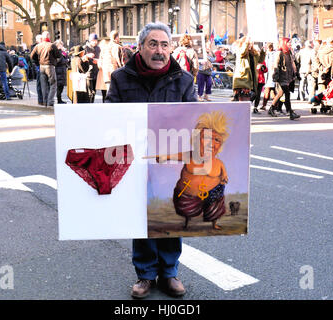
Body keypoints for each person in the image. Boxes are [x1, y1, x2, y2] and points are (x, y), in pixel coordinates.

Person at [106, 22, 197, 299]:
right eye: (153, 44)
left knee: (170, 216)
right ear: (141, 47)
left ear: (171, 48)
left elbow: (194, 119)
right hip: (135, 160)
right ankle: (145, 275)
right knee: (142, 217)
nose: (159, 51)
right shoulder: (121, 78)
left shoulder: (184, 80)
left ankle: (169, 273)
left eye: (165, 45)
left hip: (171, 161)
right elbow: (109, 115)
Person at [152, 111, 229, 230]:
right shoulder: (190, 155)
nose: (211, 144)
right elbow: (174, 156)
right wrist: (164, 157)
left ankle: (214, 223)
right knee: (186, 208)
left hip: (212, 194)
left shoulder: (218, 163)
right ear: (197, 140)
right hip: (188, 194)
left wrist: (224, 177)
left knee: (216, 205)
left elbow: (224, 174)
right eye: (207, 138)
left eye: (217, 140)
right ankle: (187, 222)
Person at [270, 37, 300, 120]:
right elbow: (276, 65)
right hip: (281, 76)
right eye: (288, 43)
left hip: (288, 76)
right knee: (286, 93)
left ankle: (272, 108)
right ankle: (290, 112)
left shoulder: (289, 52)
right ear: (284, 43)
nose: (290, 44)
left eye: (290, 43)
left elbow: (292, 64)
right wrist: (275, 76)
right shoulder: (279, 53)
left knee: (281, 93)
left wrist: (296, 74)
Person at [30, 31, 62, 107]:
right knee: (53, 84)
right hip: (50, 66)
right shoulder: (52, 45)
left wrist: (38, 62)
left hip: (41, 66)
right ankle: (50, 101)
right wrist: (55, 61)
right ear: (49, 37)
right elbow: (59, 55)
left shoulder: (38, 46)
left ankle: (45, 101)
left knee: (43, 85)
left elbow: (31, 56)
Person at [232, 36, 265, 102]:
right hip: (243, 79)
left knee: (250, 99)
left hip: (252, 79)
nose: (250, 45)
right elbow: (243, 52)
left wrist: (263, 51)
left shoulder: (253, 53)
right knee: (243, 100)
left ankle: (244, 110)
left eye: (251, 43)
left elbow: (260, 60)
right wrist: (247, 41)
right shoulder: (240, 50)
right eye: (249, 43)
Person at [84, 33, 101, 102]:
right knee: (89, 92)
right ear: (90, 41)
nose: (95, 42)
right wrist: (90, 59)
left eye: (96, 40)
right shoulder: (86, 48)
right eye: (93, 40)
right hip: (89, 72)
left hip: (96, 71)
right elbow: (83, 59)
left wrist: (98, 61)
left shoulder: (98, 48)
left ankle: (92, 103)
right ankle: (89, 104)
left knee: (94, 91)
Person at [261, 42, 277, 111]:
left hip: (272, 75)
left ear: (270, 48)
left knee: (269, 91)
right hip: (267, 75)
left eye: (266, 48)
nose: (266, 49)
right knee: (271, 91)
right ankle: (274, 106)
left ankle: (270, 105)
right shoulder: (266, 54)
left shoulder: (274, 54)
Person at [30, 34, 44, 106]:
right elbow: (32, 56)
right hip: (39, 66)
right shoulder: (35, 46)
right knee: (39, 83)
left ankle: (44, 99)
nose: (42, 40)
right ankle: (40, 99)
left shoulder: (43, 45)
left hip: (42, 65)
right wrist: (37, 62)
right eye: (41, 39)